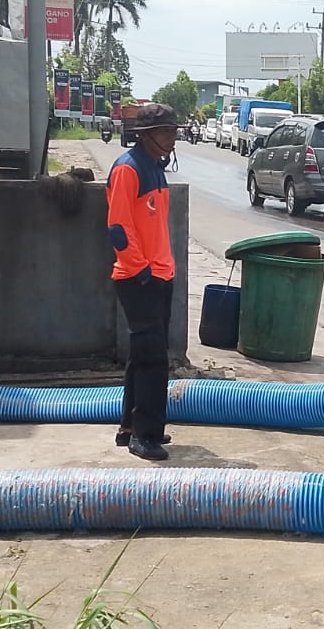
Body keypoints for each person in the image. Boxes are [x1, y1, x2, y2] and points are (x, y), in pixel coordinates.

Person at [106, 102, 181, 461]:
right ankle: (145, 436)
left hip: (159, 273)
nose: (172, 138)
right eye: (165, 132)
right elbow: (118, 229)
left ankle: (129, 427)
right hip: (139, 278)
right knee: (153, 361)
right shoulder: (128, 169)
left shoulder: (155, 168)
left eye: (173, 131)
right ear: (146, 135)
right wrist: (140, 271)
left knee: (142, 357)